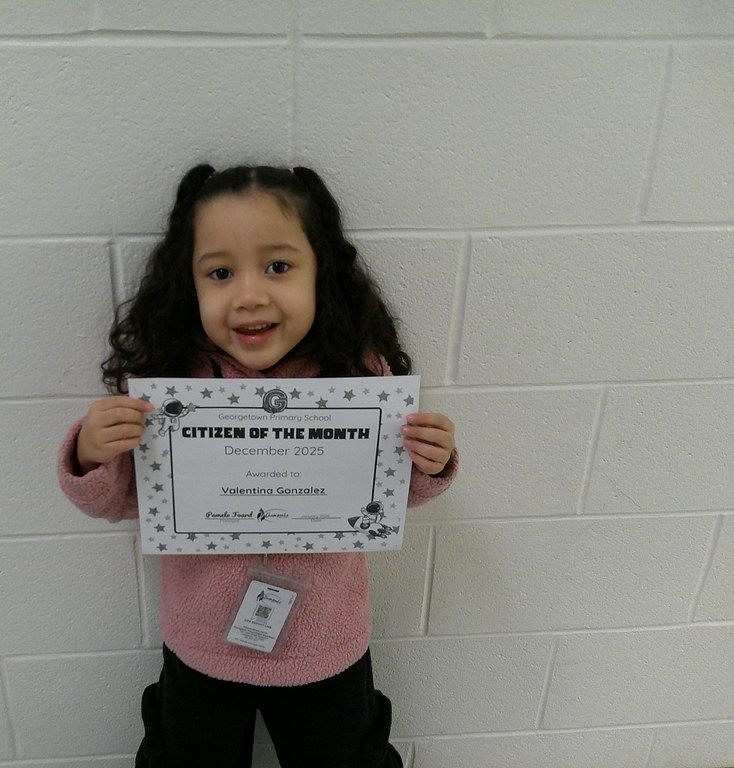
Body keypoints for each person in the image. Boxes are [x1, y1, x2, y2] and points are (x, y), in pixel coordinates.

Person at [58, 164, 458, 768]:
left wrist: (429, 461)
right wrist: (92, 452)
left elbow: (386, 500)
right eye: (220, 272)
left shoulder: (357, 375)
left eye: (278, 266)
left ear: (322, 272)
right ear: (188, 284)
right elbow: (119, 501)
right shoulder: (168, 382)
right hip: (202, 641)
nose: (249, 295)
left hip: (325, 641)